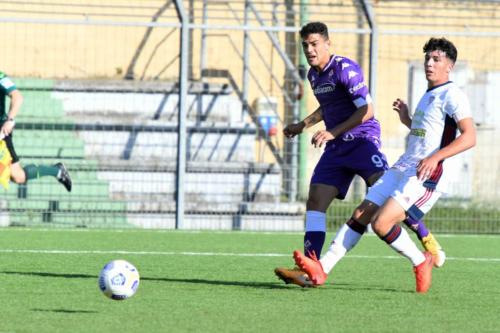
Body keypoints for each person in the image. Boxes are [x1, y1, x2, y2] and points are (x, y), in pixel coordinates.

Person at [293, 37, 476, 293]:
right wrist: (407, 120)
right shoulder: (429, 95)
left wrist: (435, 158)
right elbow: (428, 134)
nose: (429, 63)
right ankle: (321, 269)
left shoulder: (453, 94)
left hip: (428, 173)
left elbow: (469, 137)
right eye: (427, 58)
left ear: (450, 66)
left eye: (436, 59)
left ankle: (420, 259)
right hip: (405, 166)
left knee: (381, 223)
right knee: (360, 214)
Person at [275, 22, 444, 287]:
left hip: (363, 141)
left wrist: (332, 132)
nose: (309, 49)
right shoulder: (313, 75)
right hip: (337, 147)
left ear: (328, 44)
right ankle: (311, 267)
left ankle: (424, 234)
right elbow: (327, 107)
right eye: (305, 45)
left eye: (315, 44)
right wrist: (303, 125)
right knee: (316, 201)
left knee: (386, 196)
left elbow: (367, 110)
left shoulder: (345, 69)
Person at [0, 71, 72, 191]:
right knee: (18, 176)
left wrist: (10, 120)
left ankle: (57, 171)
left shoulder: (0, 77)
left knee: (18, 177)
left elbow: (17, 97)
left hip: (1, 134)